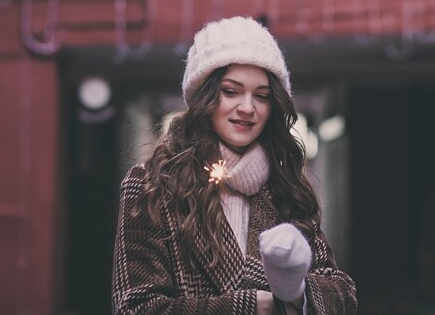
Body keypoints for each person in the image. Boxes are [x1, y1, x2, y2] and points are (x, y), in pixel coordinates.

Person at [112, 16, 357, 314]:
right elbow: (135, 308)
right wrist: (252, 306)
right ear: (204, 97)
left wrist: (295, 290)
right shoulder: (153, 184)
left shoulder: (285, 186)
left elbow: (343, 295)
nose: (247, 108)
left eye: (262, 96)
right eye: (231, 91)